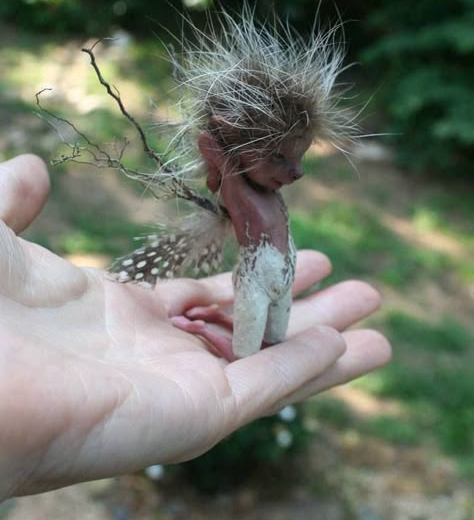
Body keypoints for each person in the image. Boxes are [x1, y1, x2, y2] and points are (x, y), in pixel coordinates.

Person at [0, 154, 391, 501]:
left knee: (276, 336)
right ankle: (207, 330)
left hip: (282, 271)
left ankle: (218, 320)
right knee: (245, 353)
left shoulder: (270, 193)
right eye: (281, 160)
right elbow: (215, 151)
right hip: (257, 275)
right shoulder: (239, 182)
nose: (298, 172)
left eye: (298, 157)